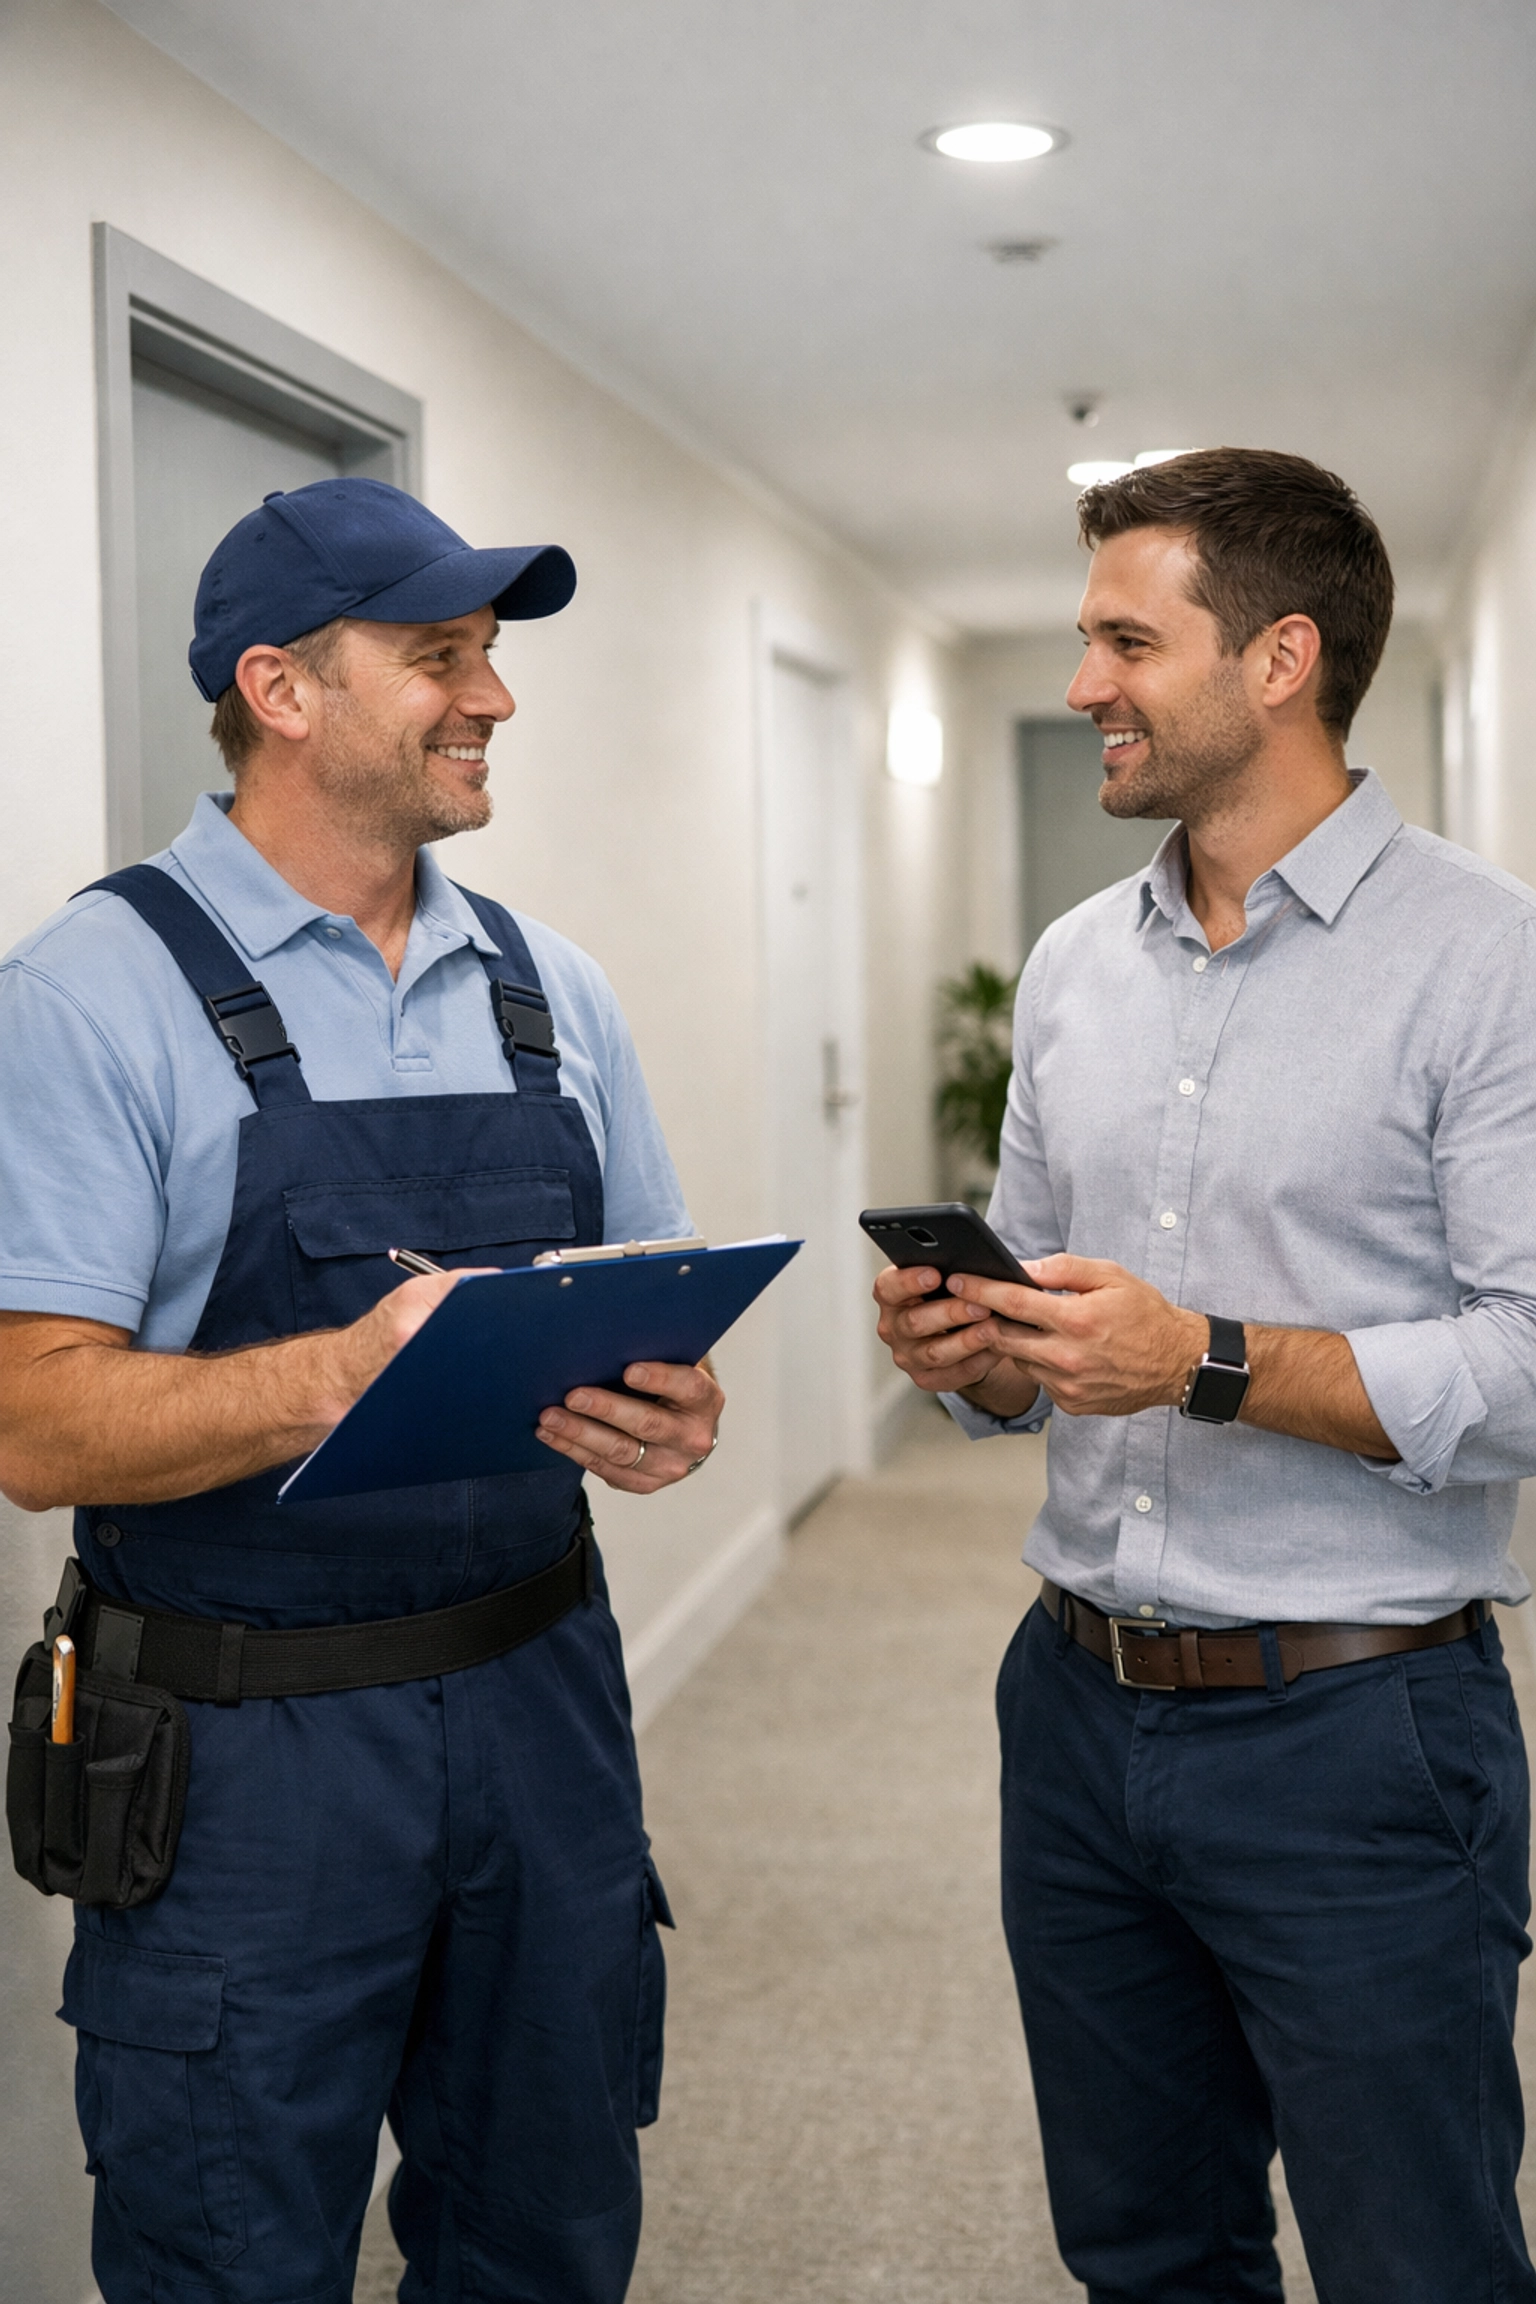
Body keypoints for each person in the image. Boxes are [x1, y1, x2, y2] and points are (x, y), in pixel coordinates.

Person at [0, 477, 723, 2304]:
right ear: (284, 689)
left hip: (544, 1707)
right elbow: (35, 1424)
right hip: (249, 1761)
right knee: (234, 2250)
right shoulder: (89, 996)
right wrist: (334, 1373)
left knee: (546, 2233)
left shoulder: (551, 992)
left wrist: (666, 1415)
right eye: (440, 658)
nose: (492, 699)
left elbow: (647, 1309)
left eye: (488, 656)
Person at [874, 448, 1536, 2302]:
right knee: (1148, 2251)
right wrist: (974, 1354)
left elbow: (1533, 1359)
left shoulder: (1488, 961)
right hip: (1074, 1712)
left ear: (1279, 658)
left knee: (1420, 2259)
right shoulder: (1079, 967)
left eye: (1122, 638)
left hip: (1360, 1741)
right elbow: (1021, 1343)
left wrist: (1208, 1360)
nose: (1082, 680)